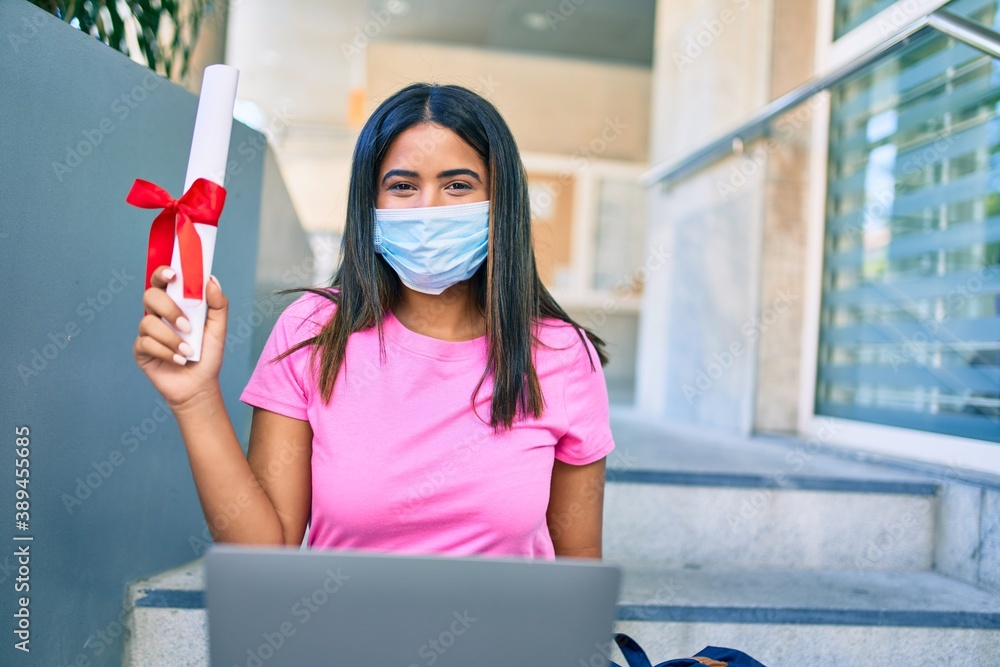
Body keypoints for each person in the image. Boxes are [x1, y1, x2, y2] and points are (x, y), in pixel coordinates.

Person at [133, 82, 615, 560]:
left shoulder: (561, 355)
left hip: (508, 637)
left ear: (501, 203)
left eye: (458, 185)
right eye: (403, 186)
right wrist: (196, 399)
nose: (428, 208)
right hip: (340, 634)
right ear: (371, 204)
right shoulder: (314, 332)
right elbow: (265, 552)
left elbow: (578, 573)